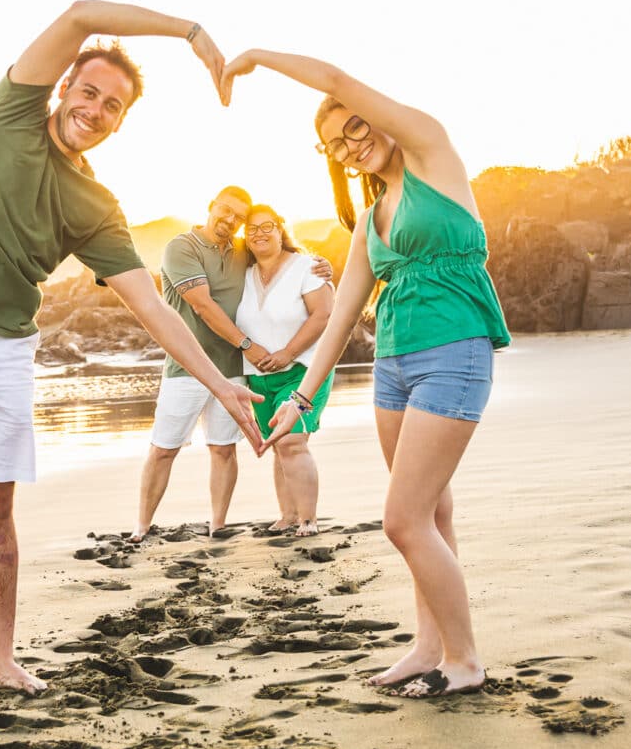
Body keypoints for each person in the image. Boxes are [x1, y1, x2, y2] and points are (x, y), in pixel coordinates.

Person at [0, 1, 263, 717]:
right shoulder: (11, 115)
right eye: (88, 91)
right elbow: (81, 13)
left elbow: (154, 308)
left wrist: (222, 385)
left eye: (112, 105)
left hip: (6, 344)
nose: (96, 107)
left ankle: (0, 661)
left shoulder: (96, 205)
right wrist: (190, 32)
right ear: (61, 88)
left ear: (119, 122)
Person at [219, 48, 512, 699]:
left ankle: (464, 662)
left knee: (402, 521)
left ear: (378, 118)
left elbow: (336, 81)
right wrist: (298, 396)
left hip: (453, 355)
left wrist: (258, 60)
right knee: (432, 511)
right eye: (333, 143)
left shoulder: (433, 154)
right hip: (394, 367)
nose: (349, 144)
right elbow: (344, 314)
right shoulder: (370, 220)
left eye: (355, 127)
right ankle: (428, 647)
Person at [132, 194, 333, 542]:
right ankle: (142, 525)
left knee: (233, 448)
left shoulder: (261, 257)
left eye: (241, 218)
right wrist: (248, 346)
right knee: (164, 448)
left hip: (243, 372)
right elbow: (202, 306)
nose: (233, 220)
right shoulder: (185, 248)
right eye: (227, 211)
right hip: (189, 368)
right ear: (211, 206)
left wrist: (322, 268)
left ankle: (222, 525)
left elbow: (315, 299)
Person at [233, 204, 335, 536]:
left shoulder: (306, 266)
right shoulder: (243, 275)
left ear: (281, 229)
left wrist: (288, 352)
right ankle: (288, 515)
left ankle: (308, 518)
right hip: (259, 377)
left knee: (292, 441)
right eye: (252, 228)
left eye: (267, 226)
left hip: (304, 371)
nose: (259, 233)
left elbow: (324, 314)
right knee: (278, 444)